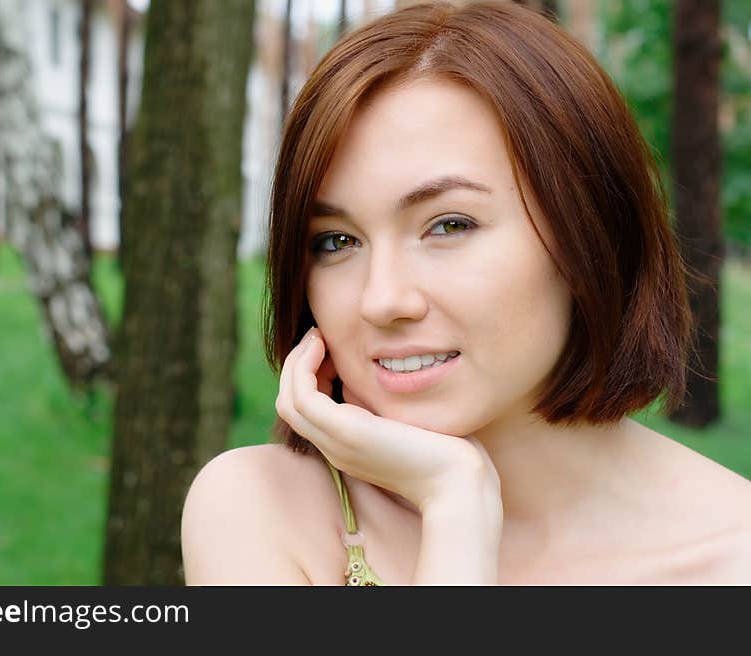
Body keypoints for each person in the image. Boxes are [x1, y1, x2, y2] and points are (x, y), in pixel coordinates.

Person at [180, 0, 751, 585]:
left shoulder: (732, 557)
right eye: (335, 241)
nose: (382, 300)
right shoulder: (264, 511)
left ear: (591, 233)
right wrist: (457, 506)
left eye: (449, 225)